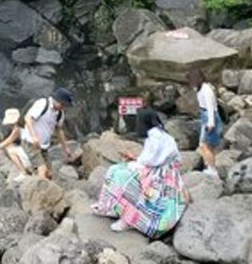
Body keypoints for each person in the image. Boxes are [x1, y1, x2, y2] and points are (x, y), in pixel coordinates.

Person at [91, 108, 188, 237]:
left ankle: (127, 218)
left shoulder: (155, 137)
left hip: (160, 176)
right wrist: (135, 159)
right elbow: (154, 159)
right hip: (166, 173)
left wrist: (134, 163)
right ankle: (114, 208)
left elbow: (149, 161)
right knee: (119, 171)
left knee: (120, 175)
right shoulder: (162, 134)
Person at [21, 87, 75, 180]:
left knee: (49, 173)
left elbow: (59, 130)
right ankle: (39, 192)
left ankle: (39, 186)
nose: (63, 107)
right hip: (31, 143)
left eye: (65, 105)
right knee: (42, 171)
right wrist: (34, 137)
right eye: (63, 104)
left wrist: (66, 148)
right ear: (57, 100)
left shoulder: (59, 113)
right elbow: (28, 118)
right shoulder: (43, 104)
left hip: (43, 146)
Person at [188, 69, 222, 180]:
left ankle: (212, 169)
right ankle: (211, 167)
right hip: (205, 115)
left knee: (204, 144)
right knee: (208, 145)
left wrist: (211, 123)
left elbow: (210, 106)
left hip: (209, 116)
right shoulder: (202, 88)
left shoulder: (206, 89)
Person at [0, 108, 33, 177]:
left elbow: (9, 140)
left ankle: (23, 172)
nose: (8, 125)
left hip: (31, 158)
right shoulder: (24, 125)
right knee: (12, 146)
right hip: (34, 155)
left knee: (10, 149)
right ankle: (27, 169)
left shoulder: (16, 129)